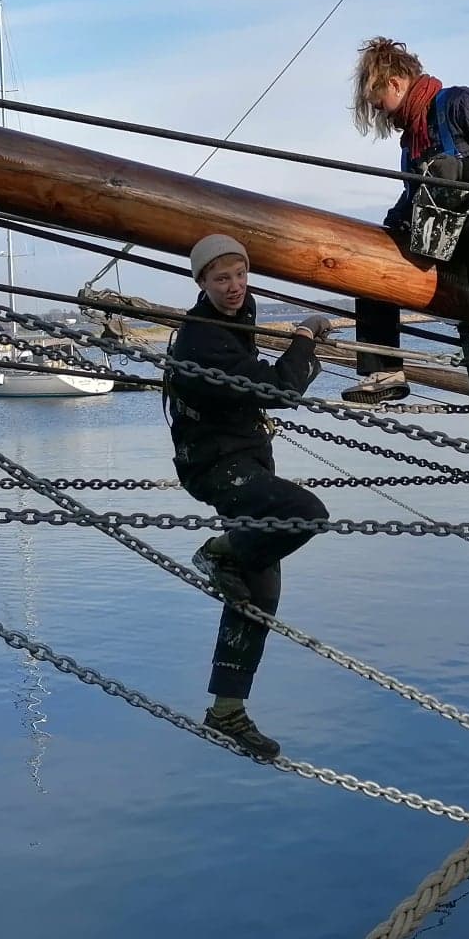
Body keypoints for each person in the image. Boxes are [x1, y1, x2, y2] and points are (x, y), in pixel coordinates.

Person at [165, 232, 333, 760]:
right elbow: (280, 390)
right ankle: (221, 552)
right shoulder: (200, 340)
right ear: (201, 284)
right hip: (216, 466)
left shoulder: (240, 312)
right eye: (221, 279)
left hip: (247, 457)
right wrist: (305, 337)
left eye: (239, 275)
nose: (234, 287)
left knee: (259, 598)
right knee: (304, 512)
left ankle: (226, 711)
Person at [345, 36, 469, 404]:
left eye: (379, 103)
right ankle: (383, 367)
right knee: (374, 252)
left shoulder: (461, 102)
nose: (382, 113)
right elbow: (419, 194)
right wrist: (394, 222)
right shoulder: (411, 141)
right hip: (449, 230)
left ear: (396, 83)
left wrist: (465, 167)